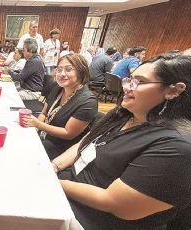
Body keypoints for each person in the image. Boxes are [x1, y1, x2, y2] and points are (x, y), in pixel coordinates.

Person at [52, 53, 191, 229]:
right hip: (68, 188)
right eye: (129, 79)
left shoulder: (178, 147)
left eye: (139, 82)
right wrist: (54, 166)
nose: (126, 87)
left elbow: (114, 204)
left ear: (173, 90)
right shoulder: (122, 114)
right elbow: (86, 141)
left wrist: (55, 183)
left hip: (91, 217)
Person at [22, 54, 97, 160]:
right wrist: (34, 129)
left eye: (68, 69)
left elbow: (68, 133)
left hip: (61, 148)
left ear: (81, 72)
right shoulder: (57, 88)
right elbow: (44, 113)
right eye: (59, 69)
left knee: (23, 153)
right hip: (44, 136)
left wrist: (38, 125)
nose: (62, 74)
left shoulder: (88, 102)